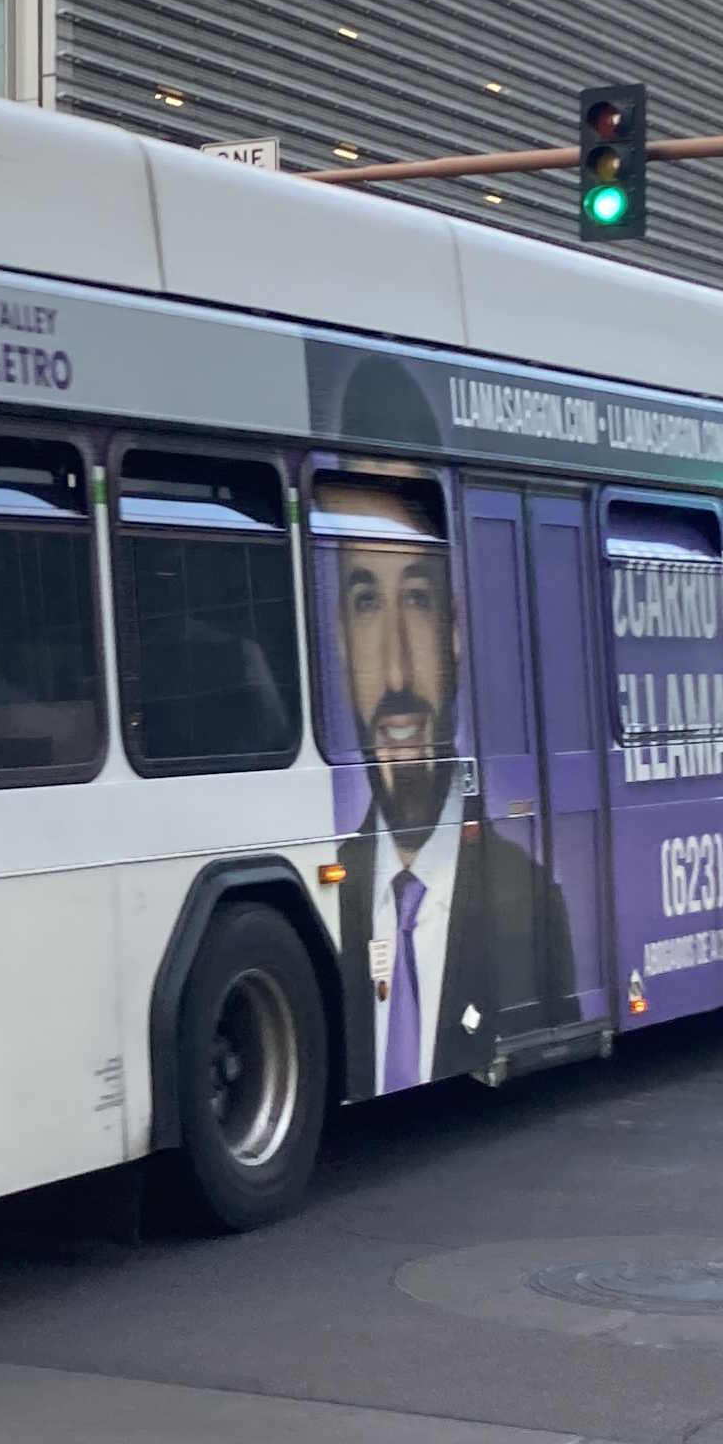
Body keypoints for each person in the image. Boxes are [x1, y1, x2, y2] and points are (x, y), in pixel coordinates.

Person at [320, 357, 584, 1095]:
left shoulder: (531, 899)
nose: (396, 673)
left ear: (456, 630)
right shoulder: (324, 910)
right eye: (367, 602)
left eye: (419, 598)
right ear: (339, 637)